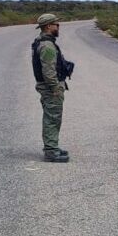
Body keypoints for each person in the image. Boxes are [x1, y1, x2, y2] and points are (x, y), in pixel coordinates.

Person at [32, 13, 74, 162]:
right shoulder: (47, 45)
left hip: (48, 87)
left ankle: (52, 147)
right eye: (56, 25)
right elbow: (49, 71)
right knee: (52, 118)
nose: (58, 27)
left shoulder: (43, 42)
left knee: (53, 117)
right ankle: (51, 151)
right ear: (49, 26)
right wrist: (55, 88)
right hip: (50, 89)